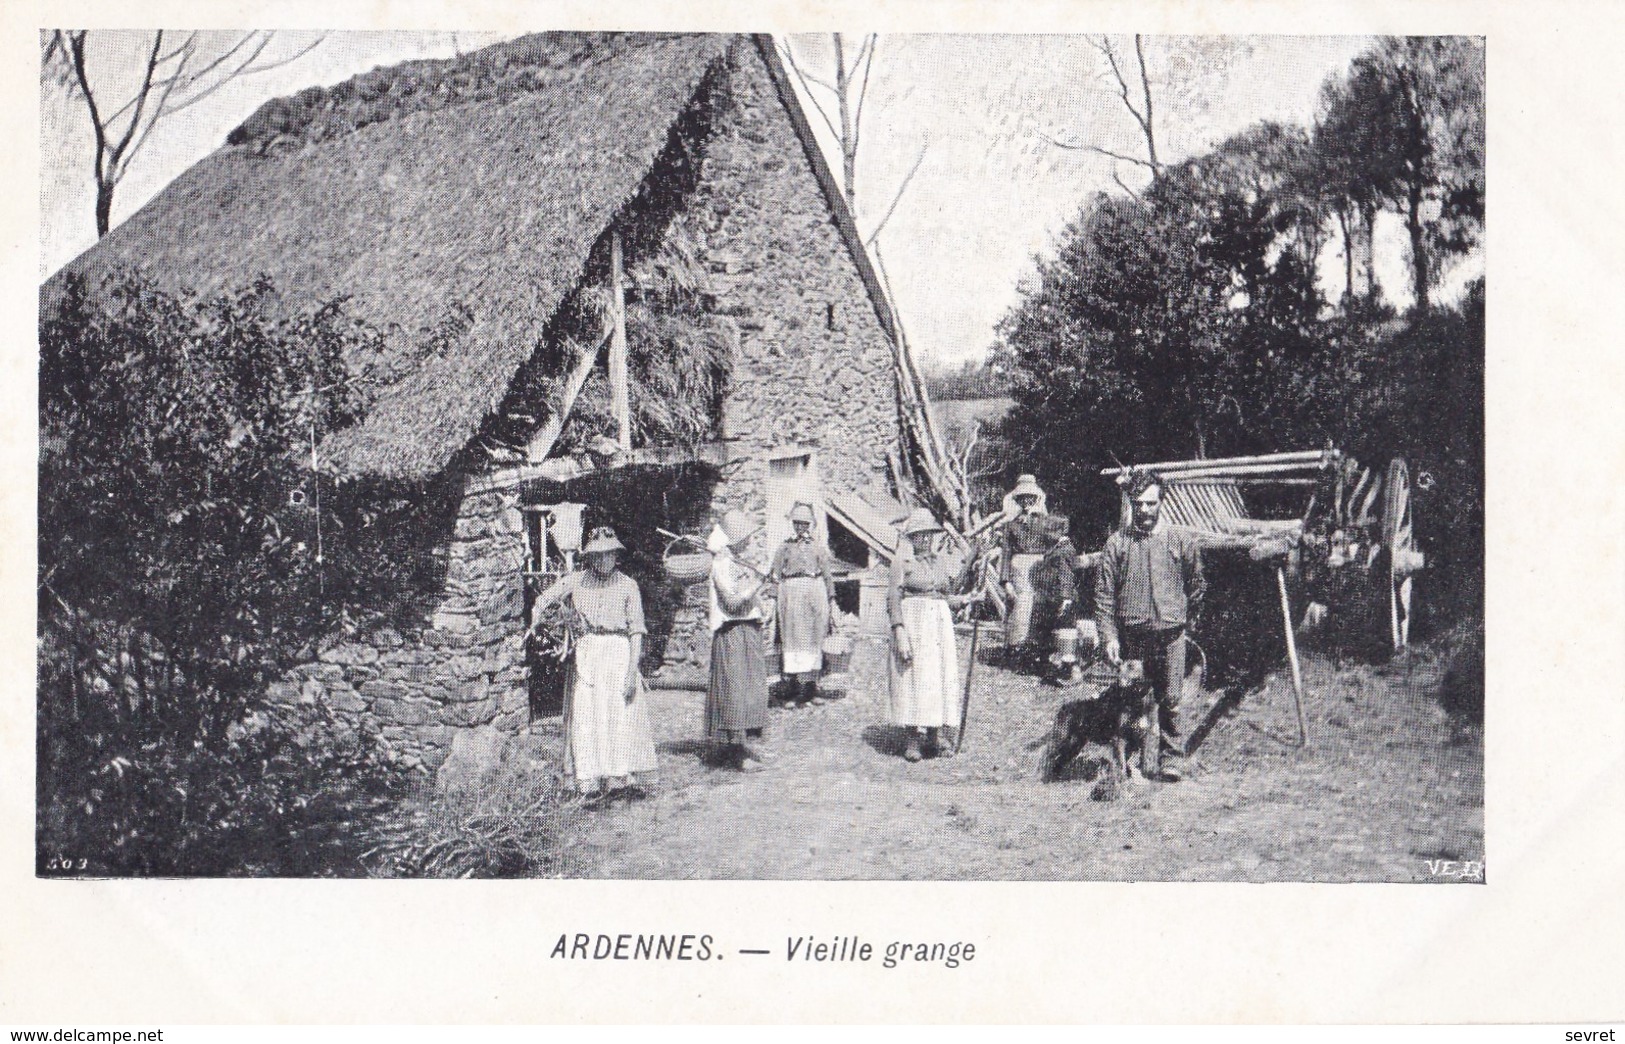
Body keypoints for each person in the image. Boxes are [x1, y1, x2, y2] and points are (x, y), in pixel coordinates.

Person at [528, 525, 657, 798]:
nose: (602, 560)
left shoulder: (628, 586)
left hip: (618, 653)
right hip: (588, 654)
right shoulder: (576, 581)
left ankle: (618, 779)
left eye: (608, 554)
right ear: (589, 557)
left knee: (618, 715)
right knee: (587, 714)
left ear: (616, 555)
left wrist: (632, 672)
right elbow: (542, 601)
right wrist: (544, 623)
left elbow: (636, 631)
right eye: (597, 555)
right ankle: (589, 780)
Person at [1094, 471, 1206, 781]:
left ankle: (1170, 758)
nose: (1144, 510)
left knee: (1170, 699)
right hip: (1134, 637)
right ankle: (1126, 762)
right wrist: (1109, 637)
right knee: (1131, 701)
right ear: (1131, 503)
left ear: (1161, 502)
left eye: (1150, 503)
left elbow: (1196, 586)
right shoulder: (1118, 544)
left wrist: (1185, 621)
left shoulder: (1180, 541)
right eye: (1138, 504)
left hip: (1171, 635)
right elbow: (1104, 595)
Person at [888, 508, 973, 762]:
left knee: (937, 677)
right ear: (911, 539)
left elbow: (945, 596)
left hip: (938, 626)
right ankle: (913, 737)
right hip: (914, 623)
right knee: (914, 677)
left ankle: (935, 735)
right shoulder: (901, 563)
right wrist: (899, 630)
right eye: (918, 536)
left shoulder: (939, 563)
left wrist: (966, 599)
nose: (924, 540)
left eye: (928, 535)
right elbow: (893, 599)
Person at [706, 508, 771, 772]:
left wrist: (761, 605)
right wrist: (759, 582)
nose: (748, 542)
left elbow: (747, 597)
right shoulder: (721, 565)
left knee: (751, 690)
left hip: (749, 631)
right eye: (745, 537)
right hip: (732, 634)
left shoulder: (736, 562)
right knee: (735, 691)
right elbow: (732, 603)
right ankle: (736, 750)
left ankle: (738, 747)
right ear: (733, 540)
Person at [769, 502, 839, 707]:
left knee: (813, 640)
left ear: (811, 524)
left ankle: (810, 688)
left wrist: (831, 599)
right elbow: (775, 575)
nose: (801, 527)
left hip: (814, 593)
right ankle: (792, 689)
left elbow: (827, 574)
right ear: (792, 523)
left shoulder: (818, 546)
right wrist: (773, 599)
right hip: (790, 596)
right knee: (792, 640)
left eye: (805, 523)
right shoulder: (784, 546)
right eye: (797, 523)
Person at [1000, 473, 1058, 651]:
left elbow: (1054, 547)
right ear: (1018, 499)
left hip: (1040, 567)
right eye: (1023, 498)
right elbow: (1006, 553)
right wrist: (1006, 580)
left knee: (1040, 606)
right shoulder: (1011, 525)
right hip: (1019, 567)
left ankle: (1037, 648)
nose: (1027, 501)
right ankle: (1016, 647)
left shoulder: (1046, 522)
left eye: (1030, 497)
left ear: (1036, 498)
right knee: (1021, 604)